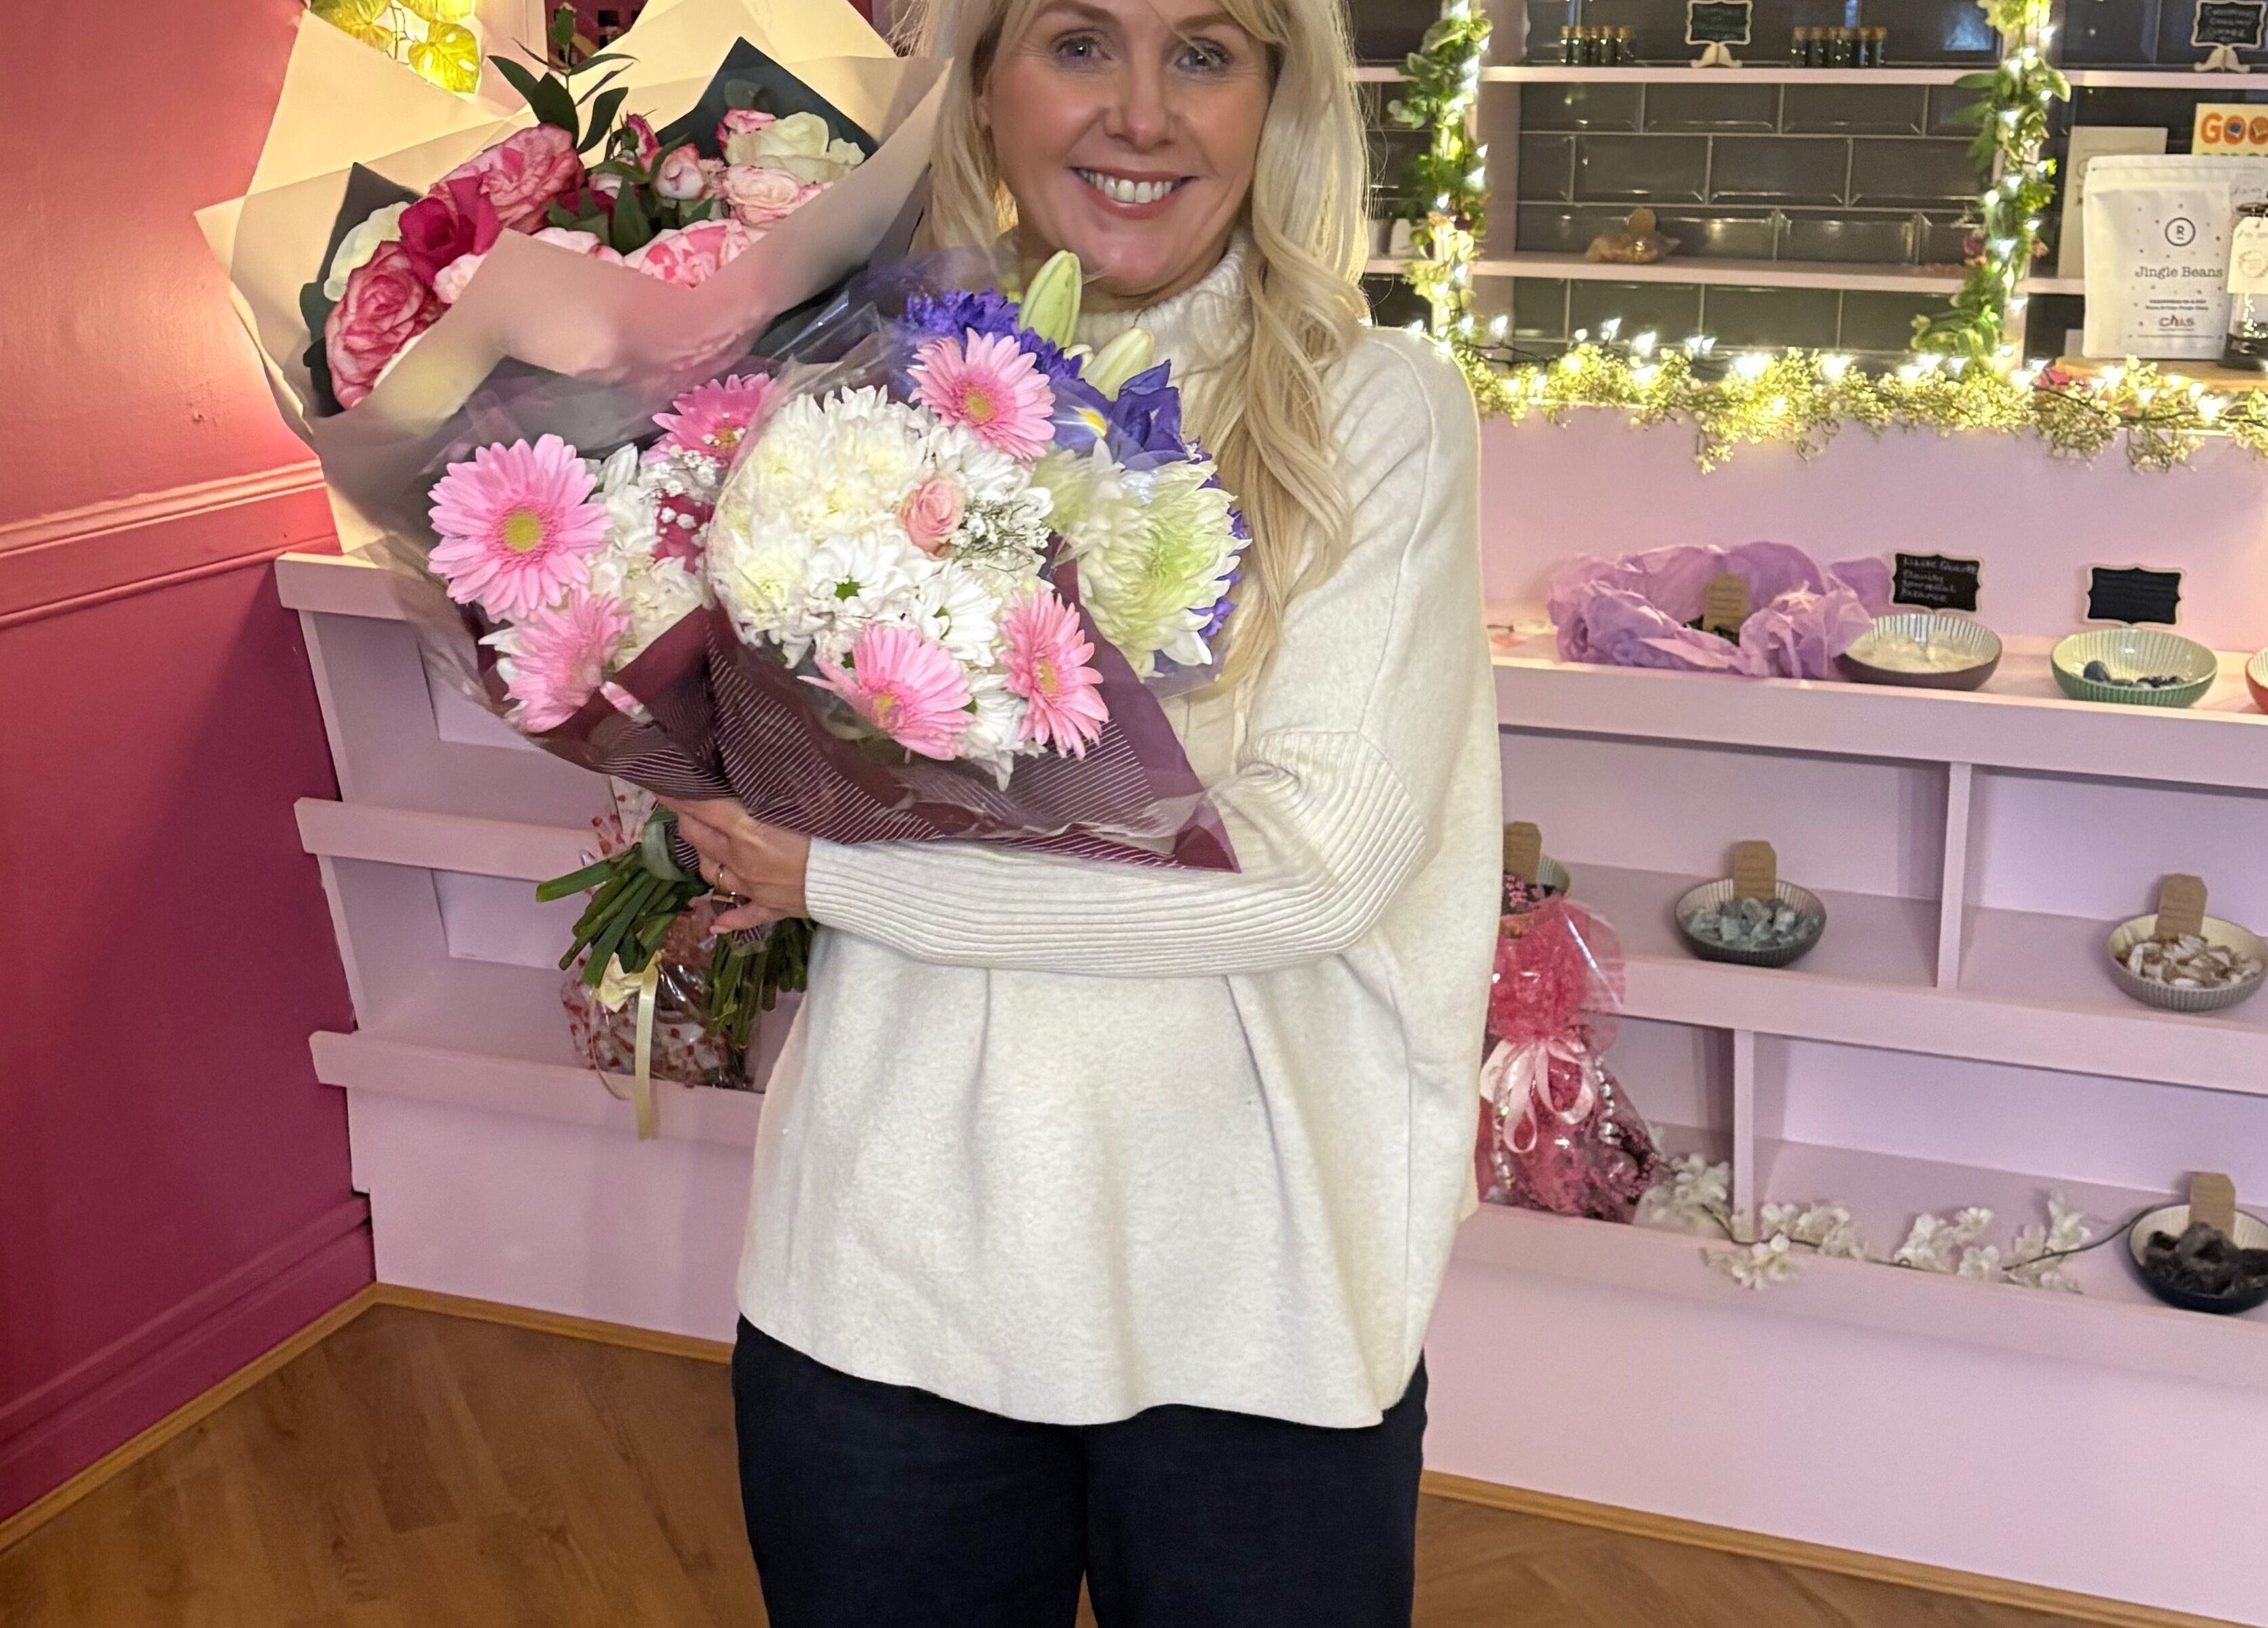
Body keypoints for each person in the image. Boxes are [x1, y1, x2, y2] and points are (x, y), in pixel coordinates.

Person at [663, 0, 1499, 1620]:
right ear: (980, 88)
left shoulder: (1374, 411)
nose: (1140, 113)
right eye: (1075, 42)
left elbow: (1311, 875)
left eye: (1204, 53)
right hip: (885, 1267)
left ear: (1277, 100)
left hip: (1256, 1294)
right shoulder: (842, 382)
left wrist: (840, 875)